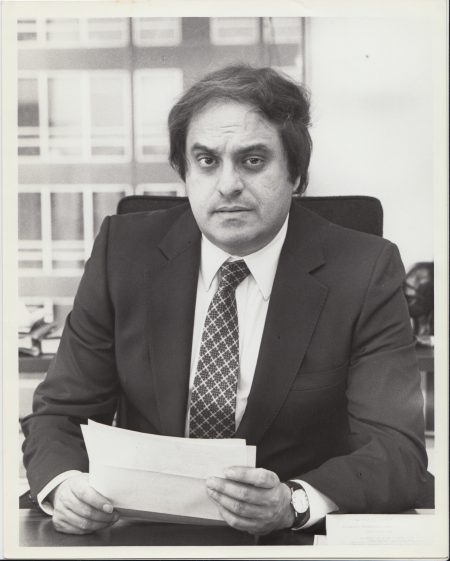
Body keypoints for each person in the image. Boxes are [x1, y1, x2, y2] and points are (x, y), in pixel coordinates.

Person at [21, 65, 428, 536]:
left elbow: (397, 449)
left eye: (253, 161)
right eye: (207, 161)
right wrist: (66, 484)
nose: (228, 184)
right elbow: (59, 414)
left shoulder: (364, 270)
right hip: (143, 531)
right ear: (185, 173)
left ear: (296, 174)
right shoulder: (124, 253)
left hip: (293, 537)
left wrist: (294, 502)